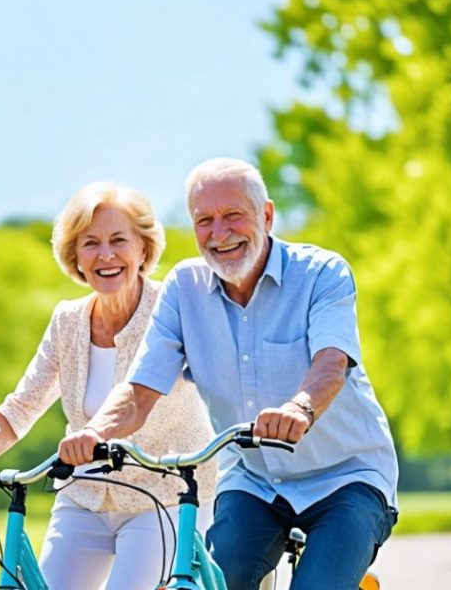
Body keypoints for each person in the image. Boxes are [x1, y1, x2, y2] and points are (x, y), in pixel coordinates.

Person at [59, 158, 398, 590]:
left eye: (234, 215)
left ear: (267, 216)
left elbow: (331, 363)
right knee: (219, 581)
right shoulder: (185, 289)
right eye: (205, 220)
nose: (220, 234)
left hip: (346, 477)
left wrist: (299, 408)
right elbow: (140, 390)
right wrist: (97, 432)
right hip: (254, 481)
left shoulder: (322, 274)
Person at [0, 182, 216, 590]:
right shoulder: (68, 321)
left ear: (143, 249)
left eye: (118, 240)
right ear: (75, 257)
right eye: (90, 243)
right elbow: (16, 414)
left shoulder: (169, 310)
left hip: (165, 497)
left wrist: (92, 434)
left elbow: (144, 397)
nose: (105, 255)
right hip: (86, 494)